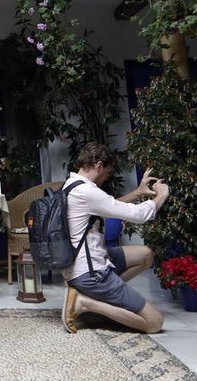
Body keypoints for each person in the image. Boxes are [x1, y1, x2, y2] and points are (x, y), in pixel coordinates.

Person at [60, 142, 170, 334]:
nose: (106, 176)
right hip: (91, 273)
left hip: (80, 266)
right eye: (108, 172)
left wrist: (138, 192)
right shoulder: (87, 191)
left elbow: (106, 206)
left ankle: (103, 298)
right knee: (155, 322)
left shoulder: (72, 185)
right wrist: (161, 195)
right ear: (99, 165)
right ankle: (84, 303)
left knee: (145, 254)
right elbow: (139, 215)